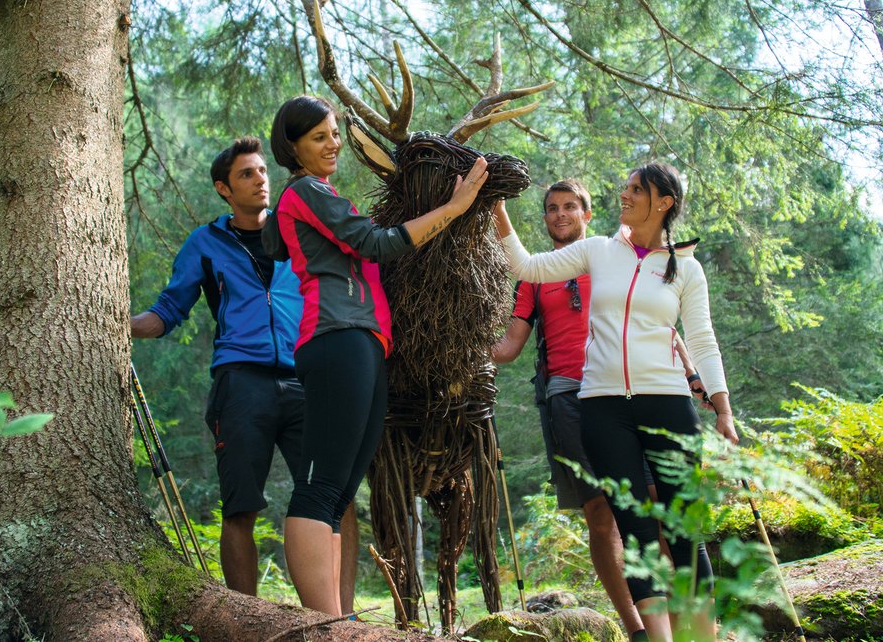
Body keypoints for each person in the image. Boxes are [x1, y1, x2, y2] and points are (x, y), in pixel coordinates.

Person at [263, 95, 489, 615]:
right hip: (335, 337)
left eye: (335, 133)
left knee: (339, 493)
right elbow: (376, 243)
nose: (333, 143)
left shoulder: (313, 195)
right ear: (292, 146)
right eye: (319, 136)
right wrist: (452, 209)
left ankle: (333, 618)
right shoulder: (308, 191)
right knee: (321, 486)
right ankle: (323, 624)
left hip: (362, 341)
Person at [493, 163, 737, 642]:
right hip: (602, 407)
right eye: (624, 186)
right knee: (637, 532)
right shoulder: (599, 251)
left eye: (634, 189)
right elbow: (526, 266)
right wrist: (498, 208)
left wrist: (722, 405)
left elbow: (702, 339)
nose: (623, 194)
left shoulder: (685, 266)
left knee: (683, 532)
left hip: (667, 404)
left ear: (663, 202)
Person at [130, 137, 357, 610]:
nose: (260, 180)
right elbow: (170, 309)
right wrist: (117, 326)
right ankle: (244, 622)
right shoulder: (206, 243)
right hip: (240, 384)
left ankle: (343, 619)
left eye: (262, 171)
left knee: (336, 500)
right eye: (246, 174)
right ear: (223, 189)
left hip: (307, 379)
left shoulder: (298, 229)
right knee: (241, 508)